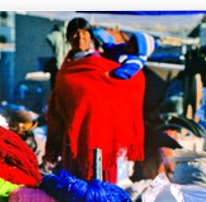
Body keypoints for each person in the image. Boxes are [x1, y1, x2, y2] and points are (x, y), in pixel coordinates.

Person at [45, 17, 145, 184]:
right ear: (68, 38)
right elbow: (60, 101)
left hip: (100, 135)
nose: (80, 37)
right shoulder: (65, 69)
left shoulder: (102, 64)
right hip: (73, 139)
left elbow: (132, 80)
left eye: (84, 33)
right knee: (75, 188)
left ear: (90, 37)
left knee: (101, 187)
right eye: (75, 34)